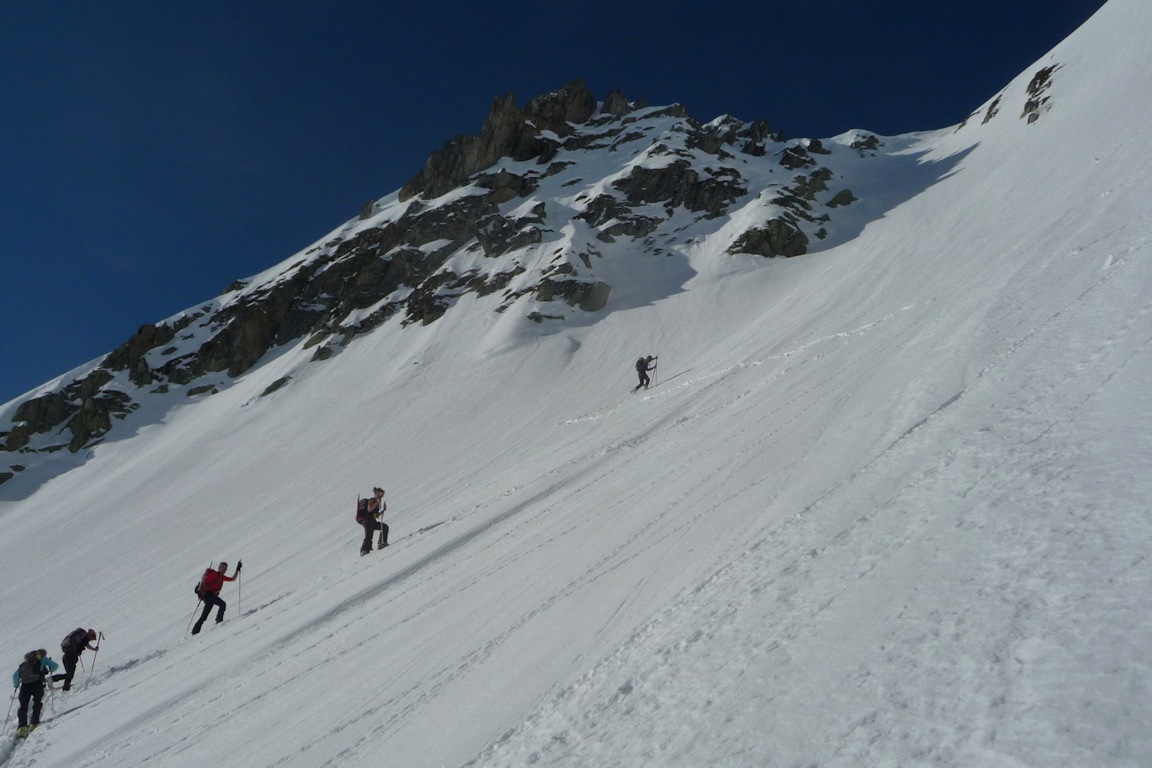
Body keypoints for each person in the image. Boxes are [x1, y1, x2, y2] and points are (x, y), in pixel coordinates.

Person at [11, 649, 58, 738]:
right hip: (37, 683)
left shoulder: (26, 663)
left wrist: (16, 685)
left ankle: (22, 727)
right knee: (37, 703)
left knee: (23, 706)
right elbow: (55, 667)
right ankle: (34, 723)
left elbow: (15, 676)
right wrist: (48, 666)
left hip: (25, 686)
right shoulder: (43, 659)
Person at [191, 561, 242, 635]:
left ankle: (195, 631)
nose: (224, 570)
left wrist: (237, 569)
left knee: (204, 615)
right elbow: (204, 581)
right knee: (222, 604)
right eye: (223, 568)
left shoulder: (221, 577)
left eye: (226, 569)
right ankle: (219, 620)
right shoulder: (214, 574)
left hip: (210, 596)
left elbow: (232, 579)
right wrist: (201, 592)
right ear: (219, 568)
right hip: (208, 595)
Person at [359, 486, 389, 556]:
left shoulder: (377, 502)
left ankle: (381, 542)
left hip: (372, 521)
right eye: (380, 494)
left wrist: (383, 511)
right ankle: (364, 550)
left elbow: (374, 515)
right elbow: (369, 509)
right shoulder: (372, 500)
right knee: (369, 535)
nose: (381, 495)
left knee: (384, 527)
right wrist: (376, 503)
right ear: (376, 493)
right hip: (367, 521)